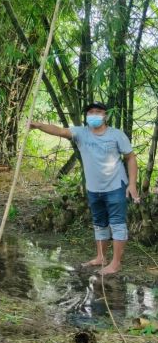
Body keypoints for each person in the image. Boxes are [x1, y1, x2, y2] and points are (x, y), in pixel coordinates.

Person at [30, 102, 139, 275]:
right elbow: (59, 130)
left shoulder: (117, 135)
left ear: (106, 115)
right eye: (91, 112)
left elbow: (130, 158)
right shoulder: (81, 133)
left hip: (116, 186)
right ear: (86, 117)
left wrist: (132, 184)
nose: (94, 115)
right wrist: (37, 125)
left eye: (98, 111)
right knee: (99, 223)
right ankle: (100, 257)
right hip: (94, 188)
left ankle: (115, 263)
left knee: (117, 224)